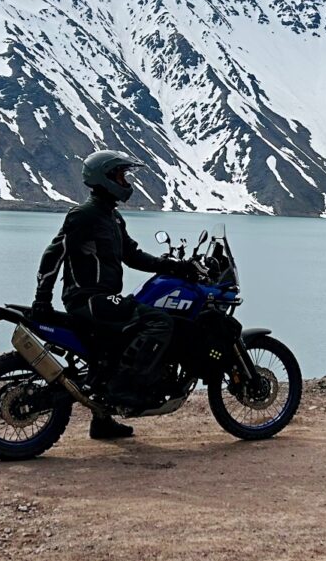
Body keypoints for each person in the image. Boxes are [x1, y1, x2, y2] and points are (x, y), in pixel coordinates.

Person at [31, 150, 198, 440]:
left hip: (103, 299)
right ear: (105, 178)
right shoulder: (84, 215)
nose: (126, 181)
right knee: (159, 322)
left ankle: (103, 420)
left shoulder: (112, 217)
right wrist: (42, 299)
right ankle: (124, 389)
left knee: (110, 351)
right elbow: (53, 255)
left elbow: (132, 256)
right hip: (88, 300)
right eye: (121, 175)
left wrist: (172, 266)